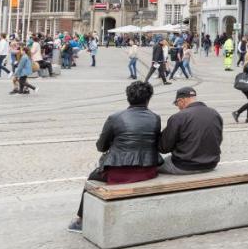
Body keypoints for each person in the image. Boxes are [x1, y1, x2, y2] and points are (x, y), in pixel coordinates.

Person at [67, 81, 163, 233]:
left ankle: (81, 220)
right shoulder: (155, 118)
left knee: (91, 178)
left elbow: (101, 147)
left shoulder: (115, 118)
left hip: (119, 173)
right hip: (148, 170)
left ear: (128, 97)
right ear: (148, 99)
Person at [158, 86, 223, 173]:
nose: (178, 107)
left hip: (184, 166)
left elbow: (164, 147)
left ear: (181, 100)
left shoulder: (178, 117)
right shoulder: (215, 113)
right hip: (211, 164)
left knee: (154, 166)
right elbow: (218, 139)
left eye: (177, 104)